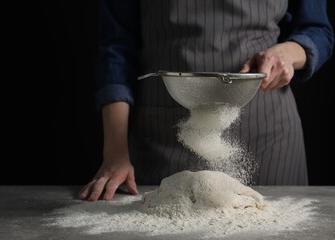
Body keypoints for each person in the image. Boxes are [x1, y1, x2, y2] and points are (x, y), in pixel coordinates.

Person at [78, 0, 334, 201]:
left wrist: (286, 53)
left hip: (267, 135)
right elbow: (116, 49)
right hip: (162, 139)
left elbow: (317, 29)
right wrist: (115, 153)